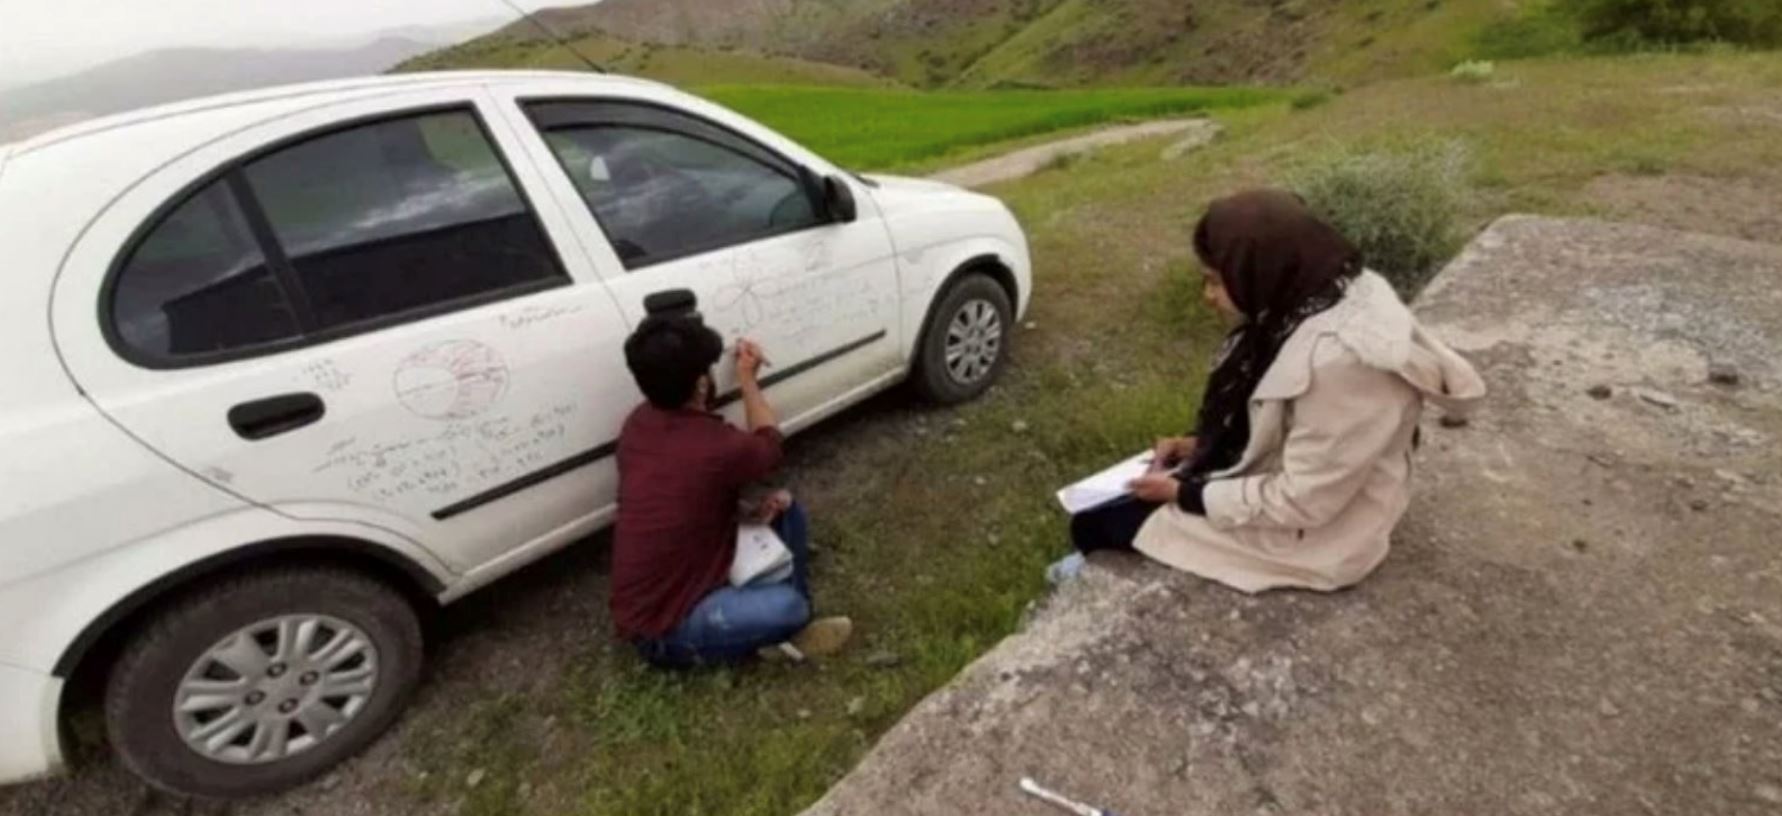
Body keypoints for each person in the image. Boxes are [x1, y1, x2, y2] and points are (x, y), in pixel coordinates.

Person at [1057, 189, 1485, 592]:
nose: (1207, 296)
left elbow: (1307, 500)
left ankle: (1079, 577)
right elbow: (1291, 417)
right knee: (1112, 506)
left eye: (1215, 281)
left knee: (1101, 522)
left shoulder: (1347, 363)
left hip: (1325, 530)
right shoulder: (1317, 291)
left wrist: (1185, 494)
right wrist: (1201, 445)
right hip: (1308, 478)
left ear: (1259, 268)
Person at [611, 311, 851, 667]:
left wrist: (744, 513)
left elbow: (686, 494)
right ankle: (785, 629)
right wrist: (747, 378)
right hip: (664, 629)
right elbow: (769, 440)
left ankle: (763, 615)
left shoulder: (637, 424)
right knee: (790, 608)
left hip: (681, 577)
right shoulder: (717, 445)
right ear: (701, 383)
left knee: (786, 508)